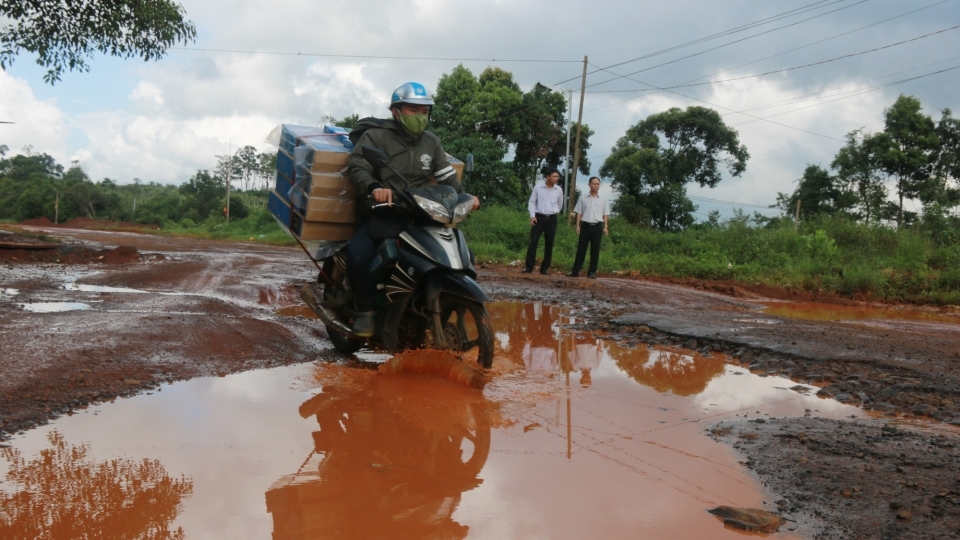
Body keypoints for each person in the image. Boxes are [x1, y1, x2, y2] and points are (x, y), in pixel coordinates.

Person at [346, 81, 480, 337]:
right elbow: (358, 167)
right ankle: (366, 311)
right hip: (384, 212)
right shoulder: (376, 136)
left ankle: (439, 302)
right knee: (359, 253)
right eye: (413, 110)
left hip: (421, 214)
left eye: (425, 111)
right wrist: (374, 186)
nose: (420, 117)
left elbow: (446, 176)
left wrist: (465, 195)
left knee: (465, 256)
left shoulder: (431, 142)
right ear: (395, 111)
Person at [567, 176, 609, 279]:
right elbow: (579, 212)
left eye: (598, 184)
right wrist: (577, 225)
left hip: (597, 227)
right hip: (585, 226)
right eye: (594, 184)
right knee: (581, 249)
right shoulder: (583, 197)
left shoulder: (603, 199)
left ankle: (592, 272)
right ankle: (575, 270)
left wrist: (606, 226)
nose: (596, 185)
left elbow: (605, 214)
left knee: (595, 250)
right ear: (589, 185)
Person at [523, 168, 563, 275]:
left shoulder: (558, 189)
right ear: (547, 177)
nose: (556, 179)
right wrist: (532, 216)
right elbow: (532, 202)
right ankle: (529, 267)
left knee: (549, 243)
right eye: (554, 176)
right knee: (533, 241)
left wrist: (553, 211)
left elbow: (560, 204)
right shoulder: (538, 187)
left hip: (552, 219)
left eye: (557, 177)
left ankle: (544, 268)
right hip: (538, 218)